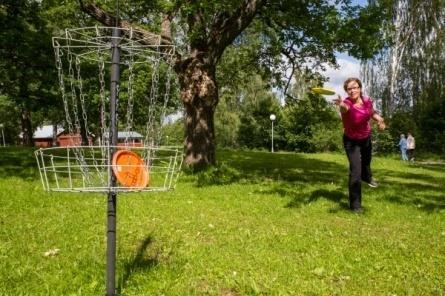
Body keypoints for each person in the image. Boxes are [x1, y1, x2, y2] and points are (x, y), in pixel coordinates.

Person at [333, 77, 385, 213]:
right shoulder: (347, 103)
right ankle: (355, 205)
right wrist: (340, 105)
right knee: (355, 171)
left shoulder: (367, 101)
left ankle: (367, 177)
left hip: (366, 138)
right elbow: (344, 109)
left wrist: (380, 120)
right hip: (351, 141)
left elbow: (371, 113)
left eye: (355, 87)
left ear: (360, 88)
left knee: (366, 163)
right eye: (349, 89)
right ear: (346, 91)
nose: (352, 90)